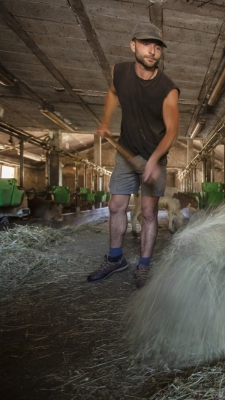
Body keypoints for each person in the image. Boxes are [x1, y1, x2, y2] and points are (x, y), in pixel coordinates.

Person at [87, 22, 179, 288]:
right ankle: (115, 259)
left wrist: (154, 159)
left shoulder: (167, 89)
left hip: (154, 156)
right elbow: (113, 93)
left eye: (158, 46)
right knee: (116, 206)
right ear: (133, 45)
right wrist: (106, 121)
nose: (152, 50)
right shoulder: (120, 72)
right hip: (126, 152)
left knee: (149, 212)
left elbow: (172, 131)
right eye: (146, 44)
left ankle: (143, 265)